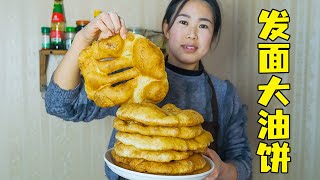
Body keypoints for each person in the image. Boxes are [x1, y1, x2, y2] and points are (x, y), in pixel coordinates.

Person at [45, 0, 252, 179]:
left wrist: (222, 171)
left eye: (204, 26)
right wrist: (82, 40)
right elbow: (59, 105)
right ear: (166, 28)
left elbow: (243, 163)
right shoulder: (133, 77)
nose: (192, 34)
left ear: (214, 35)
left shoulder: (224, 93)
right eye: (183, 21)